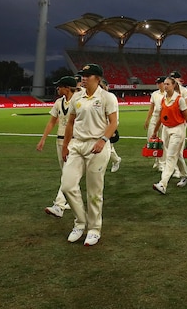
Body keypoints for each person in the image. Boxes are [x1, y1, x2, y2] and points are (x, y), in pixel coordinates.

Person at [60, 63, 118, 247]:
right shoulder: (77, 97)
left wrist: (102, 140)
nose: (84, 78)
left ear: (98, 78)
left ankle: (94, 228)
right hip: (77, 145)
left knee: (94, 191)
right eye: (83, 75)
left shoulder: (107, 97)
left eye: (88, 75)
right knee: (67, 185)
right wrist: (66, 145)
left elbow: (113, 122)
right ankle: (80, 222)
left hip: (97, 146)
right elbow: (70, 123)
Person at [37, 75, 79, 218]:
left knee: (67, 175)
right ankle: (70, 201)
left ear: (67, 87)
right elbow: (52, 122)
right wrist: (43, 139)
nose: (57, 88)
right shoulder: (58, 102)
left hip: (74, 142)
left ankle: (59, 206)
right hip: (60, 141)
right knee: (66, 174)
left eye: (60, 86)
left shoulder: (79, 101)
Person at [152, 75, 187, 194]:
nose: (165, 86)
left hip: (178, 129)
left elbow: (186, 116)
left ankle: (163, 183)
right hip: (166, 129)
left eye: (167, 84)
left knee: (170, 156)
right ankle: (186, 176)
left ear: (173, 85)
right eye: (164, 84)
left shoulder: (179, 99)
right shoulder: (163, 99)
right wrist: (155, 132)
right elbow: (160, 117)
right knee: (176, 155)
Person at [168, 70, 187, 179]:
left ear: (179, 79)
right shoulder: (168, 90)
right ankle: (176, 170)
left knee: (178, 148)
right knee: (169, 148)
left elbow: (186, 106)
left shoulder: (184, 91)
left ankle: (178, 171)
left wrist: (185, 119)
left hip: (180, 122)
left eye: (175, 78)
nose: (173, 80)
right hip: (168, 122)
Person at [144, 76, 167, 170]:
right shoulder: (155, 94)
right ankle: (156, 160)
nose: (158, 84)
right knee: (151, 138)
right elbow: (151, 107)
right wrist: (147, 119)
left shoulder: (168, 93)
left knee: (163, 140)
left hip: (165, 117)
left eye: (160, 83)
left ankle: (162, 162)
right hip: (155, 116)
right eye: (157, 83)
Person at [100, 78, 122, 173]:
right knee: (108, 147)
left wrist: (113, 128)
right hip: (99, 125)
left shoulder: (110, 97)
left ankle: (115, 160)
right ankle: (116, 160)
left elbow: (114, 113)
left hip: (109, 125)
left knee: (108, 147)